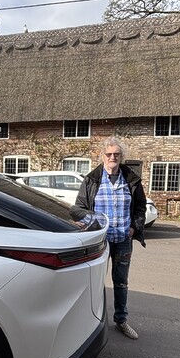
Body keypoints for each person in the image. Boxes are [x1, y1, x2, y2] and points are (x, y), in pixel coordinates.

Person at [71, 136, 147, 339]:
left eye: (116, 154)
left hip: (123, 240)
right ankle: (91, 321)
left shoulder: (131, 179)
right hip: (100, 242)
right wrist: (89, 223)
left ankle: (121, 320)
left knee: (121, 281)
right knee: (94, 281)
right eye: (109, 154)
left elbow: (140, 207)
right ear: (102, 156)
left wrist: (134, 228)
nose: (112, 157)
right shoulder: (91, 179)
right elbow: (77, 209)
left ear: (121, 157)